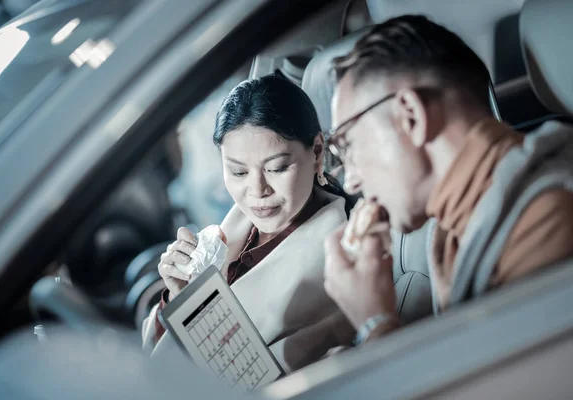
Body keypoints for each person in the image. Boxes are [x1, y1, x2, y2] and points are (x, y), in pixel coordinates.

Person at [323, 15, 573, 345]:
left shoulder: (547, 221)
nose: (351, 181)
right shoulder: (448, 231)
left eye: (348, 145)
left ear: (410, 115)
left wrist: (374, 323)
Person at [142, 73, 356, 371]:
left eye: (277, 168)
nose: (257, 191)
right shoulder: (234, 227)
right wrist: (180, 296)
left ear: (317, 153)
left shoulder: (340, 257)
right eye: (239, 172)